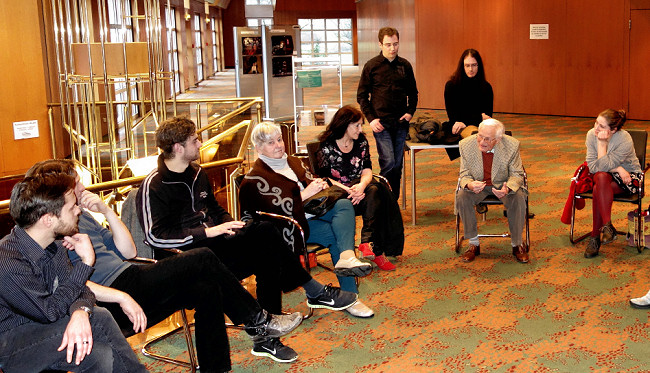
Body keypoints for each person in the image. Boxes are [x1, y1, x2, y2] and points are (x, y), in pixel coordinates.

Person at [26, 159, 303, 369]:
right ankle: (258, 321)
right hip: (112, 297)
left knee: (206, 287)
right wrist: (121, 295)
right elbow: (71, 284)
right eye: (77, 184)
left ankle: (217, 367)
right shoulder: (50, 230)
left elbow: (129, 250)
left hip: (134, 277)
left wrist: (106, 210)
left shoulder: (79, 216)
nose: (83, 189)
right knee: (203, 257)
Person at [137, 117, 360, 353]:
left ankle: (270, 332)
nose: (200, 143)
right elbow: (155, 237)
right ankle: (304, 299)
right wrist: (206, 231)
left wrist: (227, 223)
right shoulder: (154, 185)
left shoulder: (197, 172)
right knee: (261, 249)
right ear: (178, 147)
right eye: (194, 140)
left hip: (215, 244)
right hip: (184, 258)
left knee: (265, 233)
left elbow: (214, 209)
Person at [0, 173, 147, 372]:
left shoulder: (55, 245)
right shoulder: (8, 262)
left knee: (100, 353)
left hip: (44, 327)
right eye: (71, 207)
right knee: (100, 319)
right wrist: (85, 263)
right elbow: (49, 312)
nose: (78, 210)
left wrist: (80, 311)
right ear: (48, 219)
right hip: (11, 343)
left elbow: (79, 290)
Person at [239, 121, 375, 318]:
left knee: (344, 204)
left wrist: (317, 185)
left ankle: (347, 261)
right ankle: (350, 296)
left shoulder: (293, 161)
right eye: (271, 143)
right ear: (258, 148)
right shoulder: (254, 180)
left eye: (279, 140)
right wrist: (303, 196)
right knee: (337, 234)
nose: (278, 145)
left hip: (313, 213)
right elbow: (266, 217)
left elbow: (309, 182)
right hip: (292, 227)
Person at [315, 105, 404, 271]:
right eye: (356, 125)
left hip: (360, 192)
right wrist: (348, 190)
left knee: (375, 190)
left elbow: (367, 169)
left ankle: (367, 242)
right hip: (336, 195)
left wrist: (361, 186)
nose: (360, 129)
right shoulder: (326, 145)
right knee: (377, 192)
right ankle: (374, 250)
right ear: (344, 125)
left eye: (361, 125)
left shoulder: (361, 141)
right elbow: (323, 179)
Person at [456, 118, 529, 264]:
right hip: (478, 185)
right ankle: (474, 243)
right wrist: (469, 185)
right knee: (462, 196)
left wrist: (508, 187)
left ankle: (517, 243)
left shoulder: (512, 145)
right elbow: (464, 174)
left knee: (519, 196)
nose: (482, 141)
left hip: (503, 184)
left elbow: (517, 174)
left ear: (498, 139)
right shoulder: (465, 145)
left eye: (487, 139)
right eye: (480, 136)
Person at [357, 26, 418, 199]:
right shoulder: (371, 66)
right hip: (380, 123)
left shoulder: (405, 65)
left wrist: (410, 112)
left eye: (395, 44)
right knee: (388, 162)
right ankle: (384, 200)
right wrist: (371, 119)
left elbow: (413, 93)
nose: (392, 49)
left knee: (397, 165)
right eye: (388, 45)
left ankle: (393, 202)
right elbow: (361, 96)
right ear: (380, 44)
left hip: (400, 122)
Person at [583, 109, 642, 258]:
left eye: (602, 126)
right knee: (601, 177)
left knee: (598, 188)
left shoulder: (624, 139)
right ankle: (607, 226)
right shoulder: (591, 135)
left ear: (613, 130)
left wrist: (602, 145)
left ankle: (595, 236)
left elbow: (600, 166)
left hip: (629, 177)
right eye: (596, 122)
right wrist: (618, 168)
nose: (596, 128)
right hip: (605, 176)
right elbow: (592, 166)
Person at [444, 49, 493, 137]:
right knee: (475, 137)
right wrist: (478, 117)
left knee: (500, 135)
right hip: (459, 128)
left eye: (474, 65)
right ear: (462, 66)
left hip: (480, 127)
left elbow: (487, 117)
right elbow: (453, 117)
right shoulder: (452, 86)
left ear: (479, 66)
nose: (471, 69)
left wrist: (467, 119)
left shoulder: (486, 87)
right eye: (467, 65)